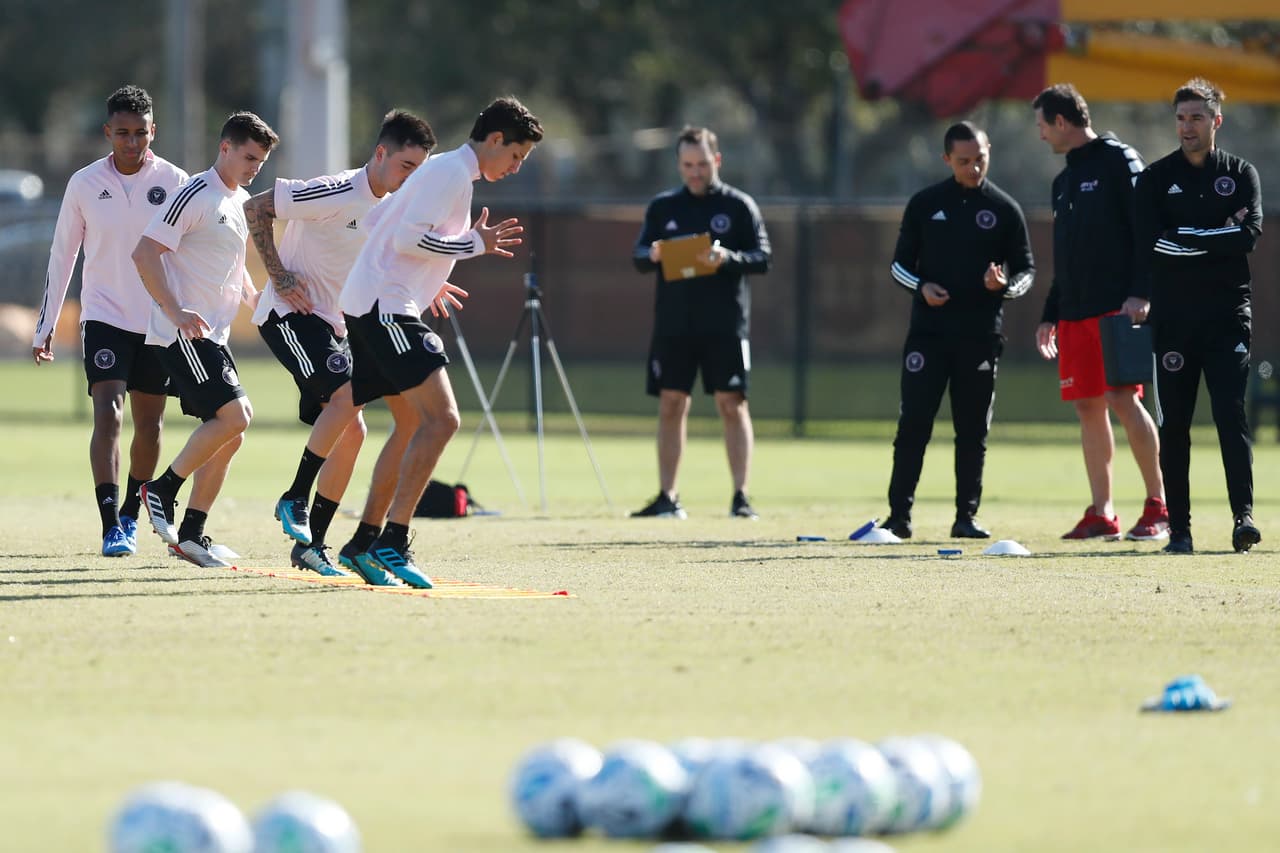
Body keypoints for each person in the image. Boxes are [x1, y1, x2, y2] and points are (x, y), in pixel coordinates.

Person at [334, 96, 540, 588]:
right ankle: (393, 541)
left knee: (410, 425)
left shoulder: (448, 173)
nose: (515, 168)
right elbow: (407, 240)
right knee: (444, 419)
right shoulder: (449, 174)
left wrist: (431, 279)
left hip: (371, 304)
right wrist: (473, 244)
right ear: (494, 140)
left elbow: (378, 226)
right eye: (516, 156)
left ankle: (363, 542)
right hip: (388, 309)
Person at [244, 110, 435, 577]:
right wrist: (280, 276)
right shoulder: (338, 190)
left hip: (335, 325)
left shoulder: (393, 208)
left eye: (419, 172)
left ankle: (314, 547)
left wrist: (434, 280)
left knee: (355, 430)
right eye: (406, 167)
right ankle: (294, 496)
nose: (410, 179)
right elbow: (256, 208)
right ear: (380, 154)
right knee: (348, 397)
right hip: (290, 315)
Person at [32, 85, 188, 557]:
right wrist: (46, 327)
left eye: (141, 133)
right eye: (123, 133)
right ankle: (109, 525)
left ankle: (130, 517)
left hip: (157, 320)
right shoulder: (83, 183)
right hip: (103, 315)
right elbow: (64, 254)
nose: (132, 143)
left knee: (151, 425)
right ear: (107, 132)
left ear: (153, 131)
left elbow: (198, 252)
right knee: (108, 412)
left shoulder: (177, 181)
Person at [131, 111, 280, 568]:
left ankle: (193, 534)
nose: (255, 167)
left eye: (261, 160)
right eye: (249, 157)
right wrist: (173, 310)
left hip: (212, 335)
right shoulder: (196, 192)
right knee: (236, 416)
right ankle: (161, 490)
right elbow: (144, 252)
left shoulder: (240, 199)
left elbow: (231, 271)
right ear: (226, 148)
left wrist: (257, 301)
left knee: (231, 434)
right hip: (183, 334)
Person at [881, 121, 1034, 540]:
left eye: (980, 159)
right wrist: (922, 287)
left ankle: (966, 517)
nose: (973, 167)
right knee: (913, 424)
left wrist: (1003, 287)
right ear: (947, 159)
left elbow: (1026, 271)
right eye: (964, 161)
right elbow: (899, 266)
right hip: (928, 336)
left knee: (972, 431)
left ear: (989, 153)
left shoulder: (1004, 209)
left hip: (980, 337)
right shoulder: (925, 203)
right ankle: (898, 518)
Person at [1032, 84, 1170, 542]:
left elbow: (1147, 227)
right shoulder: (1063, 180)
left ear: (1063, 122)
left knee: (1122, 399)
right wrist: (1051, 313)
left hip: (1116, 307)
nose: (1040, 136)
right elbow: (1067, 255)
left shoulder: (1118, 159)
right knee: (1088, 406)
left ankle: (1159, 505)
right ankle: (1102, 513)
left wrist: (1141, 291)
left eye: (1042, 126)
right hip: (1073, 313)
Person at [1133, 79, 1263, 554]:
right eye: (1182, 118)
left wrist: (1187, 237)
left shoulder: (1241, 173)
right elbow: (1154, 244)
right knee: (1176, 425)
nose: (1188, 126)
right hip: (1173, 323)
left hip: (1229, 317)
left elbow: (1248, 236)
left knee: (1231, 415)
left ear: (1216, 122)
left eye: (1197, 117)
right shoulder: (1154, 178)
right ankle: (1181, 530)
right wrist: (1216, 234)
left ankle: (1243, 519)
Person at [630, 126, 772, 520]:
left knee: (732, 405)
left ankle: (741, 497)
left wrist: (727, 258)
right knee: (672, 403)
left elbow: (763, 257)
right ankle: (667, 497)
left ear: (717, 161)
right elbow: (639, 255)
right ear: (679, 164)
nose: (695, 172)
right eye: (688, 165)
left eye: (702, 164)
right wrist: (654, 254)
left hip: (725, 325)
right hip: (674, 325)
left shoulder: (739, 206)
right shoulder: (663, 207)